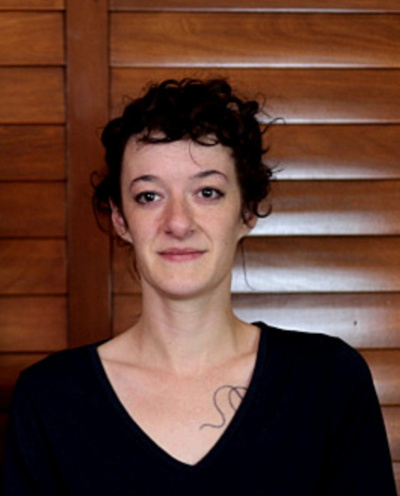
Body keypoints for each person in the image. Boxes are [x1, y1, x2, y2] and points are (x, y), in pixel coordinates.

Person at [3, 78, 397, 495]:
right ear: (121, 220)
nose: (178, 222)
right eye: (149, 196)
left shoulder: (328, 380)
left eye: (207, 192)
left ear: (247, 211)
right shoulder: (48, 398)